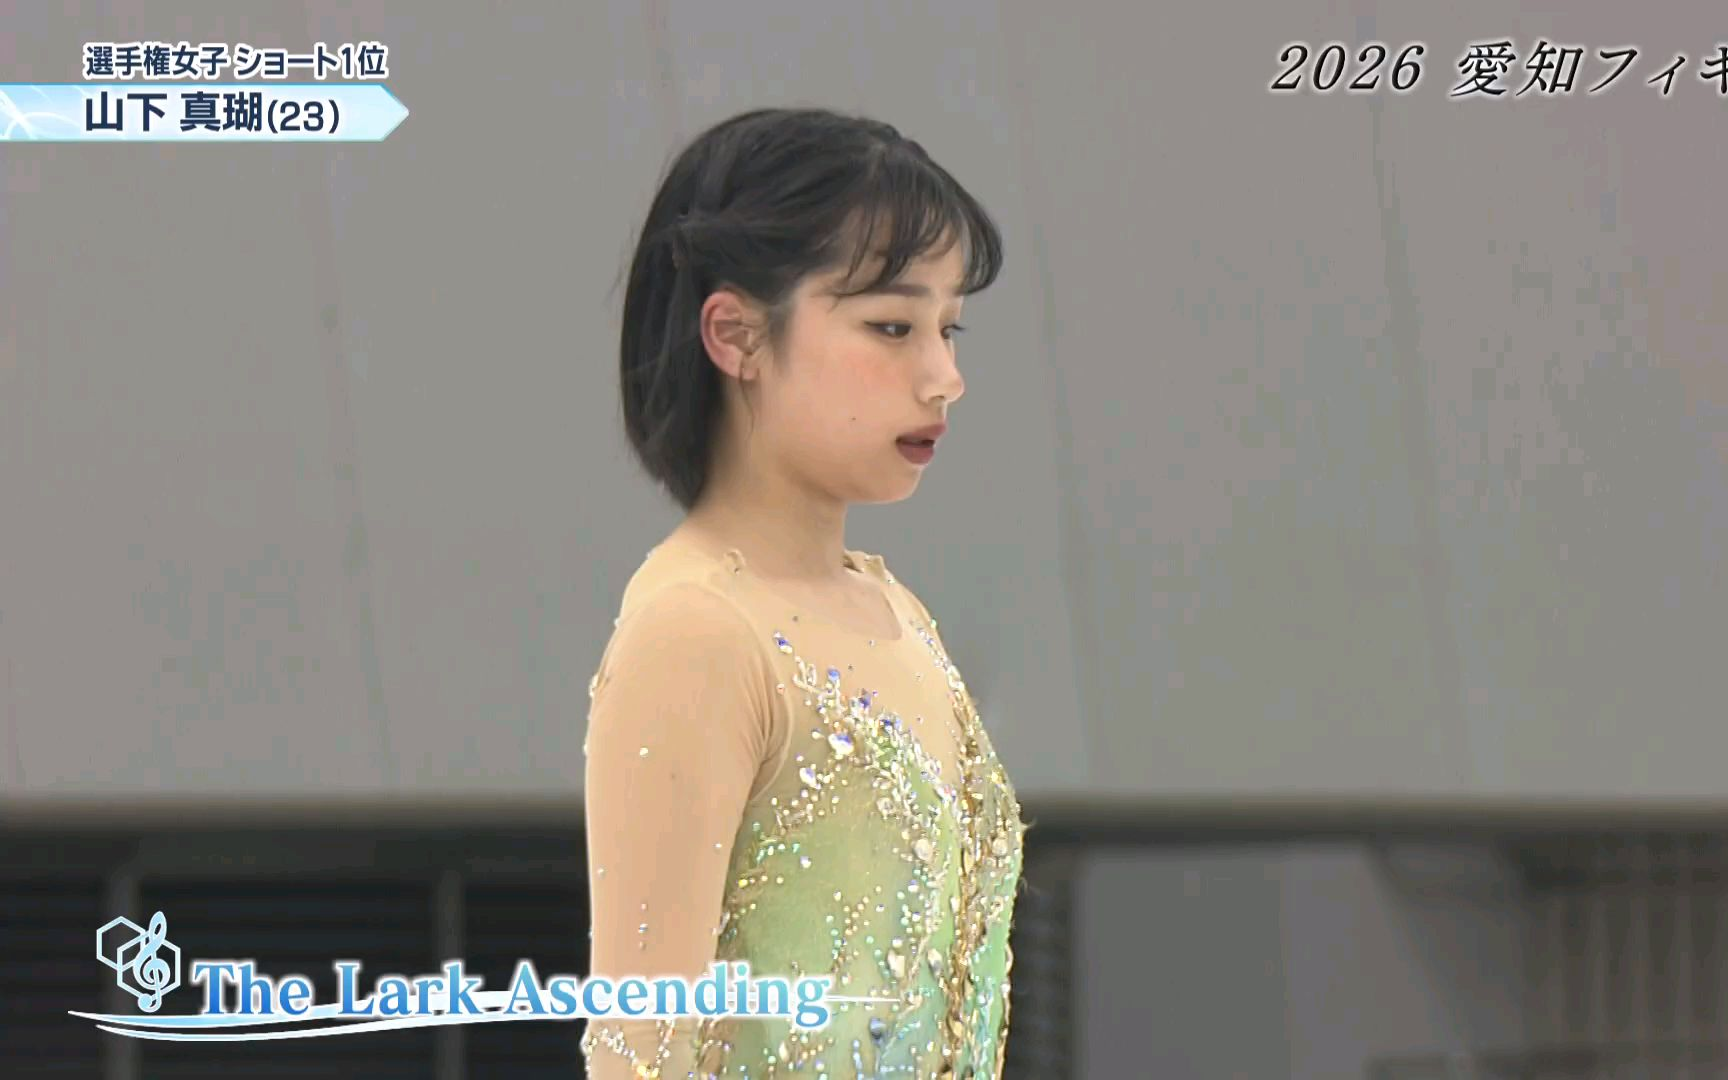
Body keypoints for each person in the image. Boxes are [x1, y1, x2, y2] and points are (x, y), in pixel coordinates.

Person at [581, 106, 1026, 1080]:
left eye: (948, 329)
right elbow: (637, 1049)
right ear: (735, 333)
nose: (944, 377)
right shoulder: (698, 632)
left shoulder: (897, 612)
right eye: (893, 327)